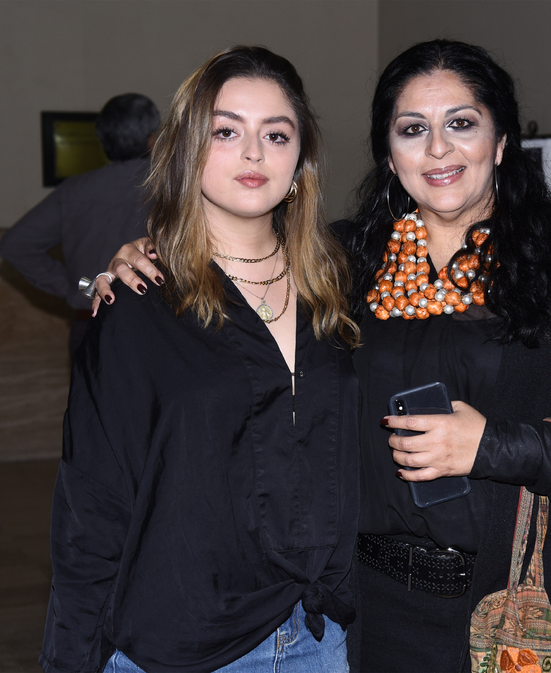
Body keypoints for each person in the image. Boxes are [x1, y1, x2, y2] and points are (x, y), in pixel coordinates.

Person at [94, 40, 551, 673]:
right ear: (390, 155)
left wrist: (493, 446)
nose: (438, 149)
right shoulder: (340, 265)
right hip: (372, 612)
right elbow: (238, 257)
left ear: (501, 142)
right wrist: (150, 255)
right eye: (413, 129)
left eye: (462, 123)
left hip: (525, 607)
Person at [41, 46, 360, 673]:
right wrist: (69, 658)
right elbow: (91, 507)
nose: (253, 153)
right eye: (226, 131)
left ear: (300, 161)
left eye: (276, 134)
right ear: (187, 151)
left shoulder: (343, 286)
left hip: (321, 638)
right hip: (183, 645)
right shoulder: (137, 304)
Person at [0, 93, 159, 356]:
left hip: (91, 326)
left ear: (103, 141)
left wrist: (80, 288)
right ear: (153, 138)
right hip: (159, 328)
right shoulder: (172, 187)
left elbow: (14, 245)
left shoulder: (74, 191)